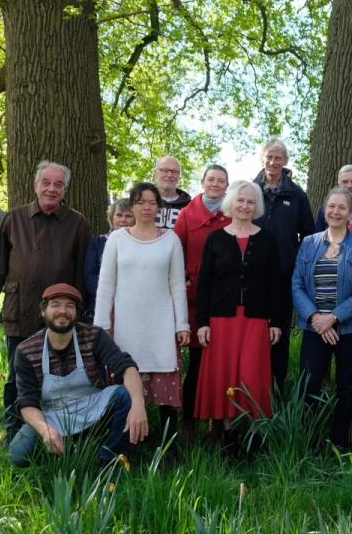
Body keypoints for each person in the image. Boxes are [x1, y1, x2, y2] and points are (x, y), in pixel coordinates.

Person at [0, 160, 92, 441]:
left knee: (54, 376)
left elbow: (82, 271)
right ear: (35, 185)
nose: (51, 189)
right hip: (20, 310)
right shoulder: (13, 219)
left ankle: (53, 432)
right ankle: (13, 430)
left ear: (65, 190)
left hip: (60, 317)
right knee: (15, 375)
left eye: (58, 185)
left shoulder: (77, 223)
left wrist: (82, 313)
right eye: (46, 183)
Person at [9, 283, 148, 467]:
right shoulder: (26, 350)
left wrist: (138, 403)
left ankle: (109, 459)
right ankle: (61, 451)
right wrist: (45, 431)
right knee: (18, 453)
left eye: (70, 306)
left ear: (76, 312)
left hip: (93, 408)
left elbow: (127, 367)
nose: (63, 311)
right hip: (52, 415)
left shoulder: (93, 336)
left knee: (125, 395)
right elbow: (27, 402)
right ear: (43, 311)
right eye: (55, 304)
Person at [94, 182, 190, 445]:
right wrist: (100, 325)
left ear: (159, 206)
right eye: (141, 202)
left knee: (165, 389)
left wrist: (182, 324)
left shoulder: (170, 239)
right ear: (132, 205)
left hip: (161, 323)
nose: (147, 207)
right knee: (124, 384)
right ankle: (124, 445)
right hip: (125, 323)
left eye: (152, 202)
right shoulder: (117, 239)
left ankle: (169, 448)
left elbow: (176, 286)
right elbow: (106, 283)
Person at [195, 181, 283, 440]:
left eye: (250, 202)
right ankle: (226, 433)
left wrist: (276, 320)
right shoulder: (215, 239)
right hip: (221, 320)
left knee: (252, 374)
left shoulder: (267, 239)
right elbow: (204, 284)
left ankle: (254, 435)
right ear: (230, 202)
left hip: (255, 320)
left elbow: (276, 283)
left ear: (257, 206)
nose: (245, 206)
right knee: (223, 374)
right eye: (240, 200)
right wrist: (202, 322)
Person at [293, 188, 352, 449]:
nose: (336, 212)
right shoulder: (309, 243)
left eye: (342, 208)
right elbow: (296, 284)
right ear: (324, 210)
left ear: (350, 212)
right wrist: (316, 318)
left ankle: (340, 444)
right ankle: (310, 443)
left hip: (351, 329)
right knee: (309, 384)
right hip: (314, 327)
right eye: (331, 207)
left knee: (346, 386)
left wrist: (334, 318)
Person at [173, 165, 231, 439]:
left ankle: (217, 420)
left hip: (225, 299)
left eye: (221, 181)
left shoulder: (232, 212)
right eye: (211, 179)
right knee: (197, 362)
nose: (216, 184)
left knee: (221, 362)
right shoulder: (187, 214)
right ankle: (189, 420)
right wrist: (182, 280)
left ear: (227, 185)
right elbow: (176, 251)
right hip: (195, 299)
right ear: (202, 182)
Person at [253, 138, 315, 390]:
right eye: (269, 156)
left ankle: (276, 388)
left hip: (283, 274)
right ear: (262, 159)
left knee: (279, 331)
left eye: (278, 157)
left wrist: (292, 259)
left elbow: (308, 235)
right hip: (252, 273)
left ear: (285, 162)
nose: (273, 161)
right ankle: (251, 383)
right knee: (253, 328)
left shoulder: (296, 194)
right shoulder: (250, 190)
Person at [83, 199, 134, 322]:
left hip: (131, 309)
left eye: (128, 216)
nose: (123, 220)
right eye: (119, 215)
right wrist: (112, 296)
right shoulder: (97, 243)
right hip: (99, 308)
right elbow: (89, 276)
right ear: (111, 218)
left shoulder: (142, 245)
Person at [313, 164, 352, 232]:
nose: (349, 186)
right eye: (345, 182)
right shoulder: (324, 211)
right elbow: (317, 240)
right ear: (339, 185)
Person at [153, 155, 192, 229]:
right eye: (165, 170)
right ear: (155, 173)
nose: (169, 175)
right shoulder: (141, 201)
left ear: (179, 175)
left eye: (174, 172)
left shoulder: (189, 206)